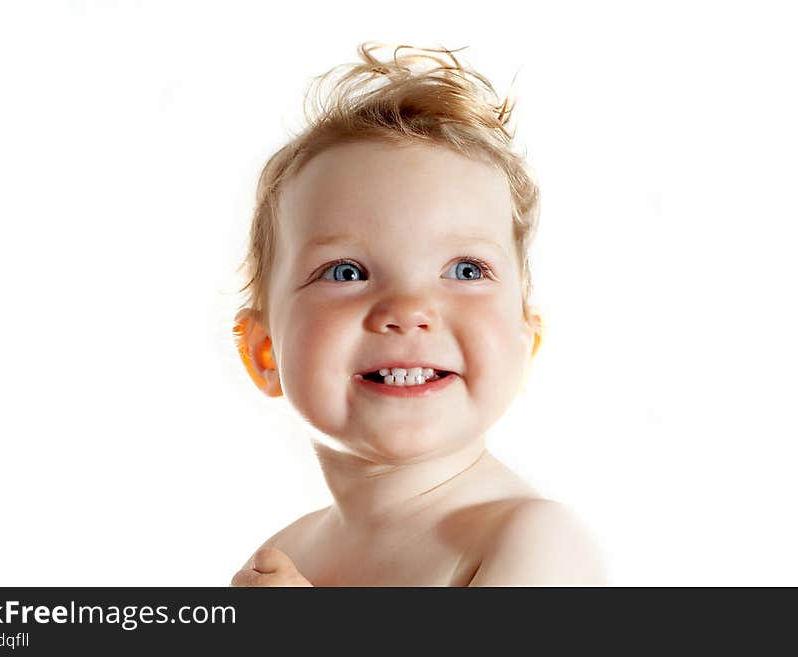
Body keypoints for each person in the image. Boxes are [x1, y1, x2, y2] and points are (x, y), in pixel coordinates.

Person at [229, 42, 606, 586]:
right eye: (345, 272)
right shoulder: (284, 552)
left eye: (467, 270)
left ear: (526, 346)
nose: (407, 310)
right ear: (264, 353)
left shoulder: (534, 541)